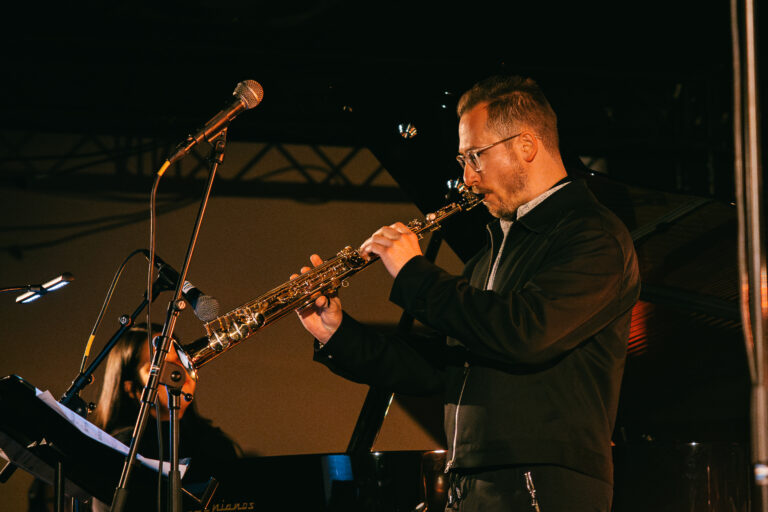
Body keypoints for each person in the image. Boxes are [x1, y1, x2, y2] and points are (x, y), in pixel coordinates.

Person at [295, 75, 640, 511]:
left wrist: (414, 273)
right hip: (474, 483)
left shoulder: (592, 235)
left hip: (543, 483)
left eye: (476, 156)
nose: (467, 177)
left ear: (526, 146)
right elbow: (440, 371)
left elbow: (525, 333)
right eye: (463, 159)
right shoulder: (487, 256)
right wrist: (337, 332)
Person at [90, 324, 241, 511]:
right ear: (131, 387)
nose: (177, 370)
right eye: (160, 364)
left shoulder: (215, 444)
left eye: (180, 358)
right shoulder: (121, 450)